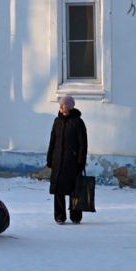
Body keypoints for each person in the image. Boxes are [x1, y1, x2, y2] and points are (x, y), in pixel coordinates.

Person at [46, 94, 87, 224]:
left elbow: (83, 144)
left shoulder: (78, 122)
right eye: (60, 105)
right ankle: (59, 216)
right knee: (58, 190)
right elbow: (52, 141)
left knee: (74, 190)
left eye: (63, 105)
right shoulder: (57, 121)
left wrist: (81, 161)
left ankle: (75, 216)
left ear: (69, 107)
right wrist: (49, 158)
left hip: (72, 162)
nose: (60, 107)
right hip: (58, 161)